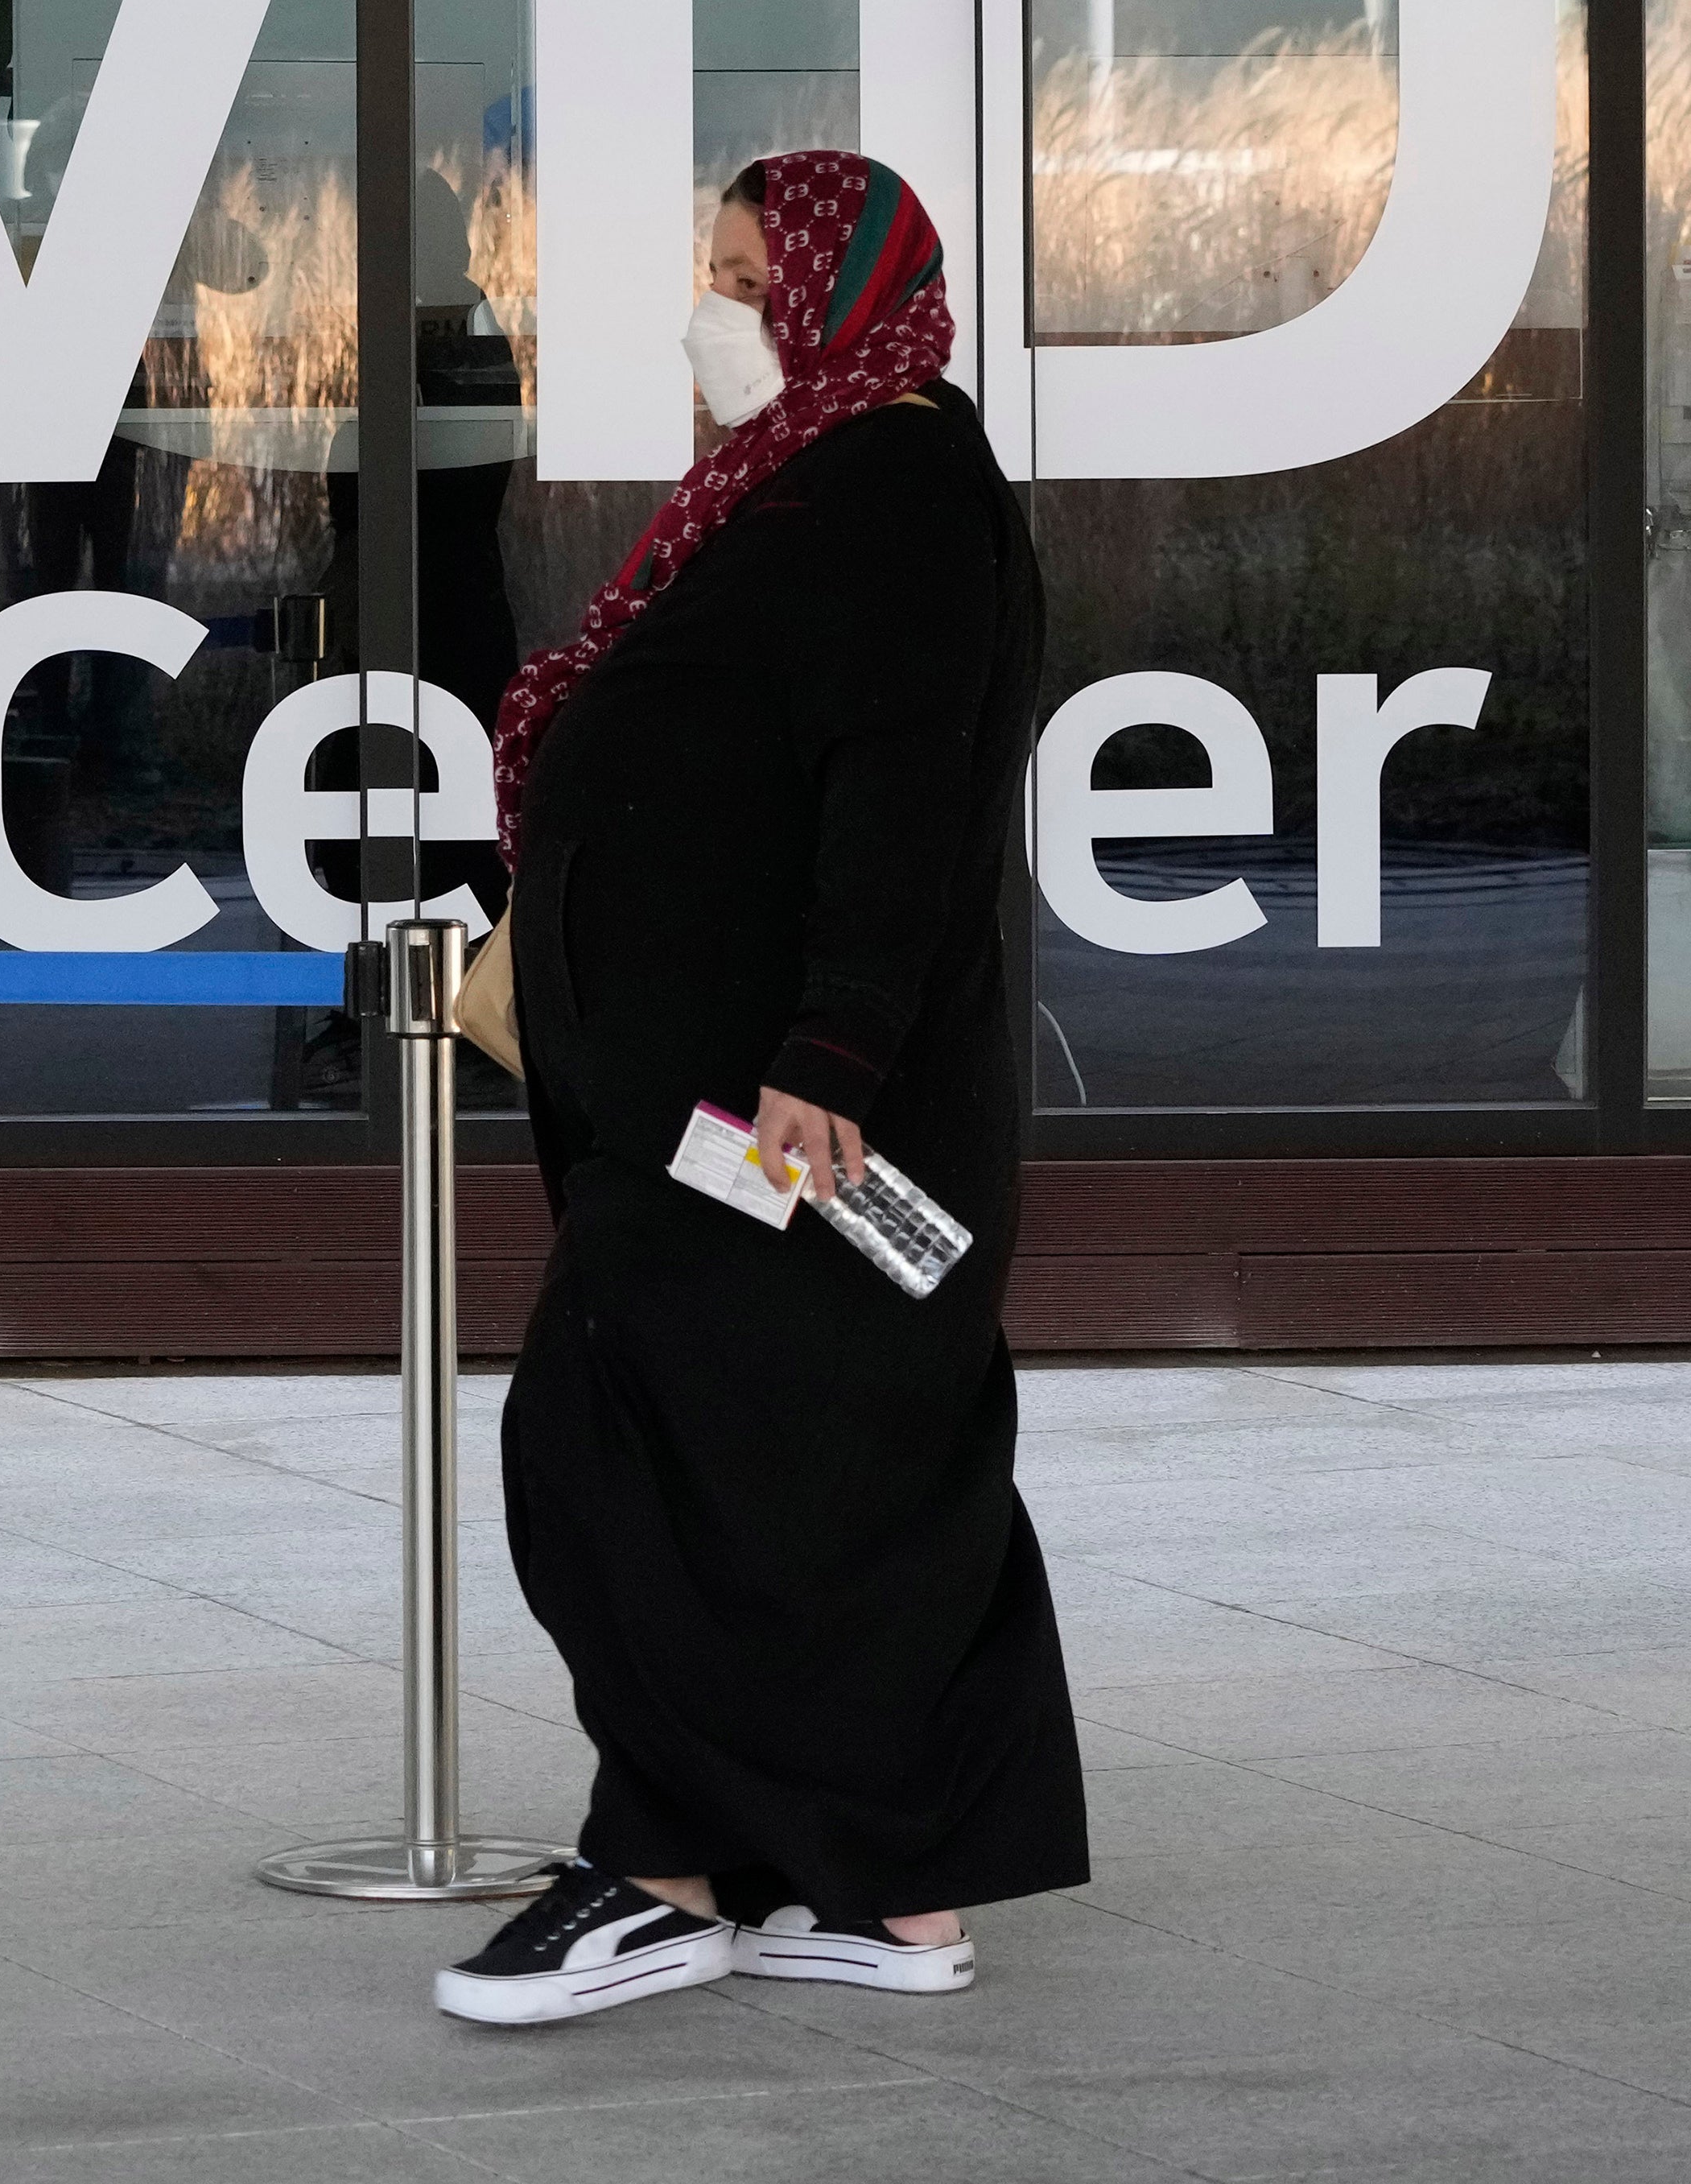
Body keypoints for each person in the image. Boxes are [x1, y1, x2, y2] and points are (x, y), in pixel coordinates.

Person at [435, 150, 1087, 2028]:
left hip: (796, 1123)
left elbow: (902, 789)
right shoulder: (817, 473)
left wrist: (825, 1058)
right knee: (832, 1475)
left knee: (626, 1440)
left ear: (831, 292)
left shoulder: (891, 483)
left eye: (743, 271)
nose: (711, 304)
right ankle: (883, 1893)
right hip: (743, 1103)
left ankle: (660, 1875)